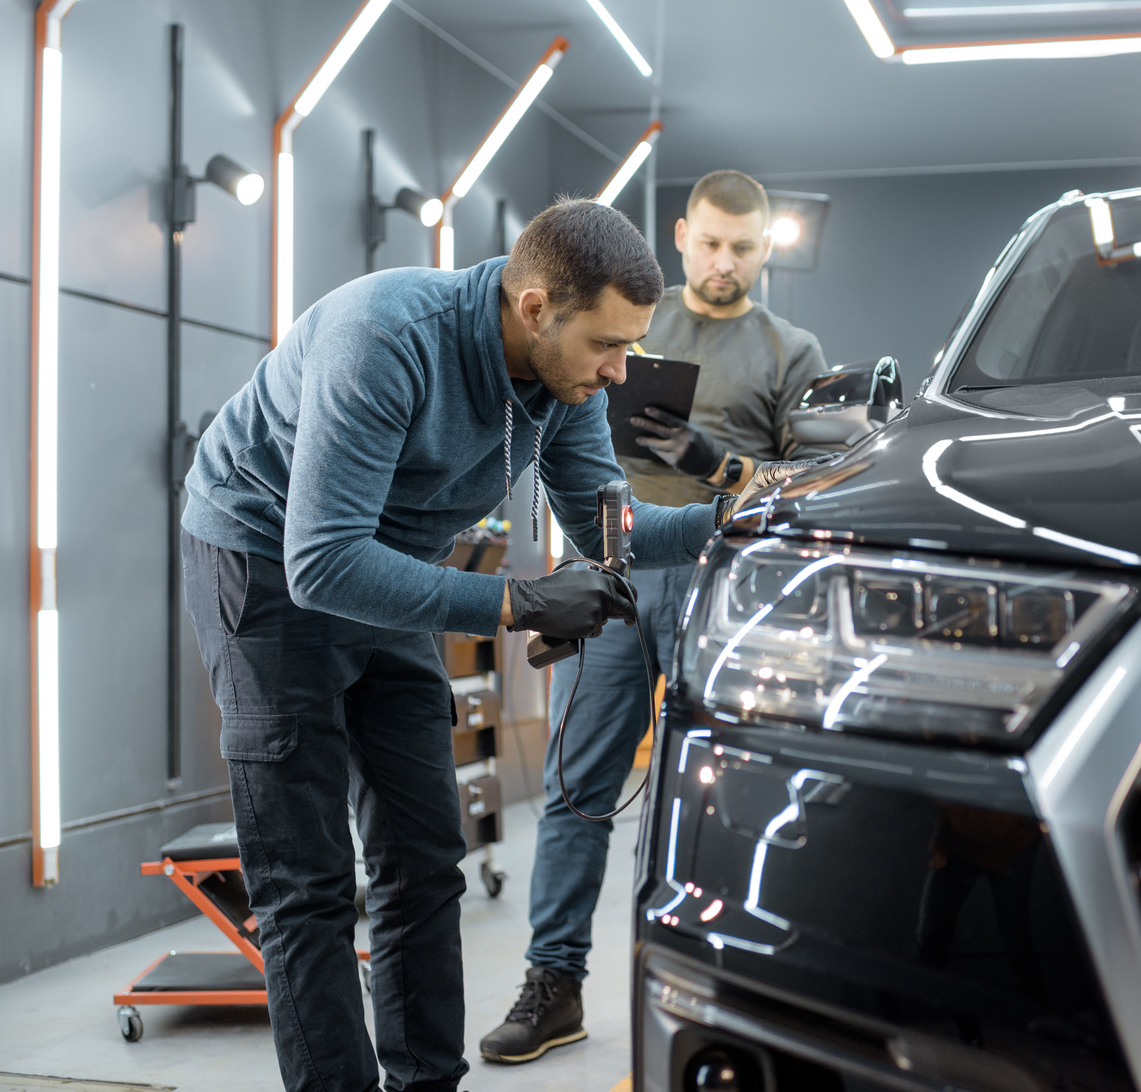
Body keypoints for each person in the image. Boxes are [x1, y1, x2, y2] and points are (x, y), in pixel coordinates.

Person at [180, 200, 738, 1092]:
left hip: (385, 566)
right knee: (309, 885)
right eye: (606, 344)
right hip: (263, 564)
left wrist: (736, 519)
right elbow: (322, 564)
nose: (619, 370)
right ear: (533, 309)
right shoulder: (385, 337)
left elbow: (610, 528)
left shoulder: (565, 384)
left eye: (629, 346)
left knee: (422, 862)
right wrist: (517, 602)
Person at [482, 170, 830, 1064]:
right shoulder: (626, 316)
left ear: (767, 248)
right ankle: (553, 983)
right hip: (609, 572)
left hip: (726, 586)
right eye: (710, 243)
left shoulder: (791, 351)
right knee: (575, 787)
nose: (724, 262)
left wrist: (721, 468)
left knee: (741, 797)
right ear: (682, 236)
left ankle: (740, 996)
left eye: (744, 247)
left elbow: (811, 490)